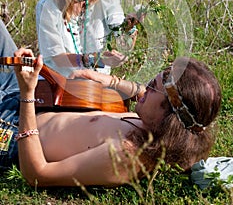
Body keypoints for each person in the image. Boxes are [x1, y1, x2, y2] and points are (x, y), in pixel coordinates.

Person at [0, 20, 222, 187]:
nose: (146, 88)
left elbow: (38, 174)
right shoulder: (155, 124)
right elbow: (141, 91)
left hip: (11, 130)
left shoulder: (127, 155)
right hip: (38, 98)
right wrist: (110, 80)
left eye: (154, 89)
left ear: (170, 117)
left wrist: (27, 93)